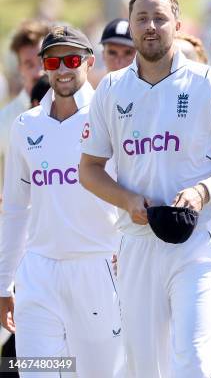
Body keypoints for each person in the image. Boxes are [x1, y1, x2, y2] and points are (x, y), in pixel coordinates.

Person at [79, 0, 211, 378]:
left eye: (160, 18)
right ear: (132, 25)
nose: (151, 26)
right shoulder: (110, 88)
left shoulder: (210, 83)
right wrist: (127, 200)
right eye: (142, 18)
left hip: (199, 241)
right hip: (137, 243)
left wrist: (202, 191)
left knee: (194, 364)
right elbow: (89, 169)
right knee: (145, 369)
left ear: (177, 23)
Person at [0, 25, 124, 377]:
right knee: (39, 371)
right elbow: (14, 208)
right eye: (54, 61)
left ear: (87, 62)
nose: (63, 68)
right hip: (39, 273)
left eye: (71, 59)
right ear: (44, 65)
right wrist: (4, 280)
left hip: (98, 266)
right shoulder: (25, 125)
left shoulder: (110, 115)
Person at [0, 20, 51, 205]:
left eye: (42, 61)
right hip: (23, 226)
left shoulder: (77, 109)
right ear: (20, 68)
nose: (38, 72)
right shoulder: (5, 119)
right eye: (29, 64)